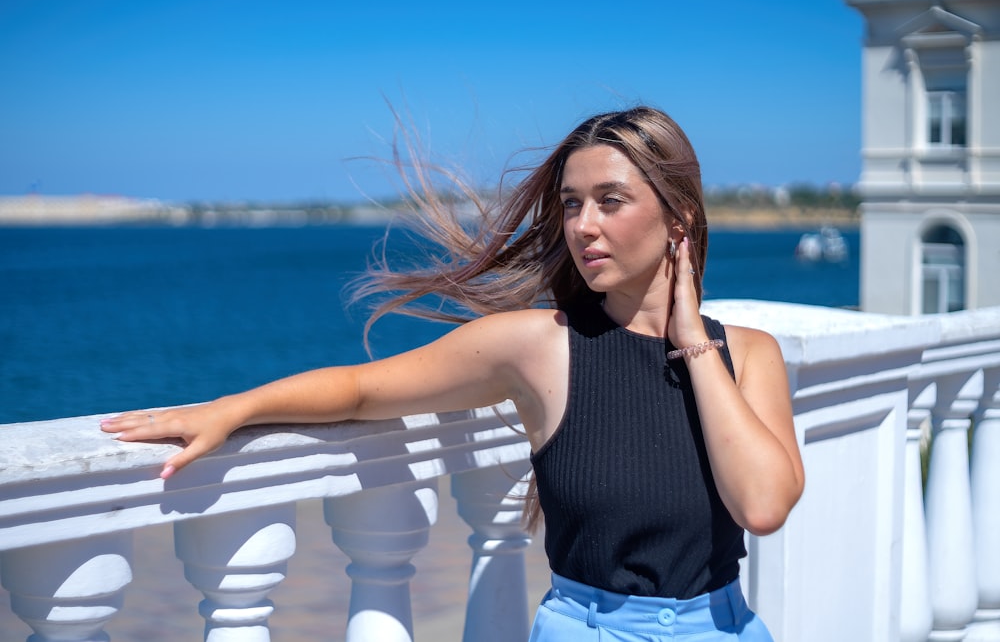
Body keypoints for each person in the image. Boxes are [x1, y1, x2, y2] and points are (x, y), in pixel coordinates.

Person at [101, 106, 804, 641]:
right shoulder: (540, 347)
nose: (583, 226)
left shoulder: (748, 354)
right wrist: (232, 408)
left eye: (610, 201)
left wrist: (691, 341)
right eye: (569, 203)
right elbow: (363, 389)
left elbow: (763, 505)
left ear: (677, 215)